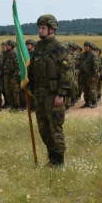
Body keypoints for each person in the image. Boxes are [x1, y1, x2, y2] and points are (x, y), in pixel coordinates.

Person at [28, 14, 73, 167]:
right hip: (39, 94)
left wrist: (61, 94)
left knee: (55, 128)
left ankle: (59, 161)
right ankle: (51, 157)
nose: (40, 31)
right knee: (43, 128)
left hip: (53, 95)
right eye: (39, 28)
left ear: (52, 29)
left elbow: (67, 72)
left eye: (43, 28)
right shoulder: (39, 47)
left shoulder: (60, 47)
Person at [78, 41, 101, 108]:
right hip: (83, 75)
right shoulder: (82, 55)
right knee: (85, 89)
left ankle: (94, 102)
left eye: (87, 46)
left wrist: (94, 76)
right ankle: (87, 102)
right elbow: (79, 62)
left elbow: (96, 66)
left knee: (92, 89)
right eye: (85, 46)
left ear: (91, 47)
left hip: (91, 75)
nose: (85, 47)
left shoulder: (93, 55)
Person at [2, 41, 22, 109]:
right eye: (6, 45)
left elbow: (18, 67)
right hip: (6, 75)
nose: (7, 46)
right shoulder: (6, 54)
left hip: (13, 75)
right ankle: (10, 105)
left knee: (15, 91)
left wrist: (15, 77)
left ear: (12, 46)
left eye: (8, 45)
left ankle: (16, 106)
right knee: (8, 91)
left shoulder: (14, 54)